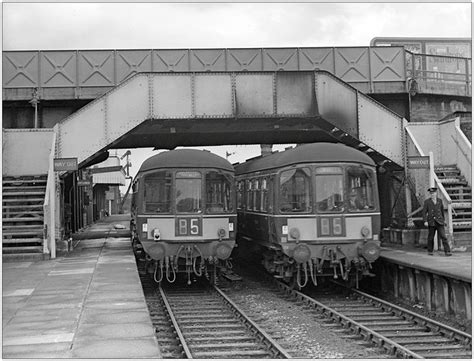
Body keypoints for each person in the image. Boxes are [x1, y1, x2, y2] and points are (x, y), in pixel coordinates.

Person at [422, 187, 452, 256]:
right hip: (431, 221)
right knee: (431, 237)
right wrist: (425, 221)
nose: (433, 194)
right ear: (430, 194)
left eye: (434, 193)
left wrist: (443, 220)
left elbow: (441, 211)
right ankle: (430, 250)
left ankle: (447, 251)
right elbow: (424, 212)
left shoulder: (440, 201)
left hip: (439, 221)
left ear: (436, 193)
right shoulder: (427, 202)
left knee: (443, 236)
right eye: (431, 193)